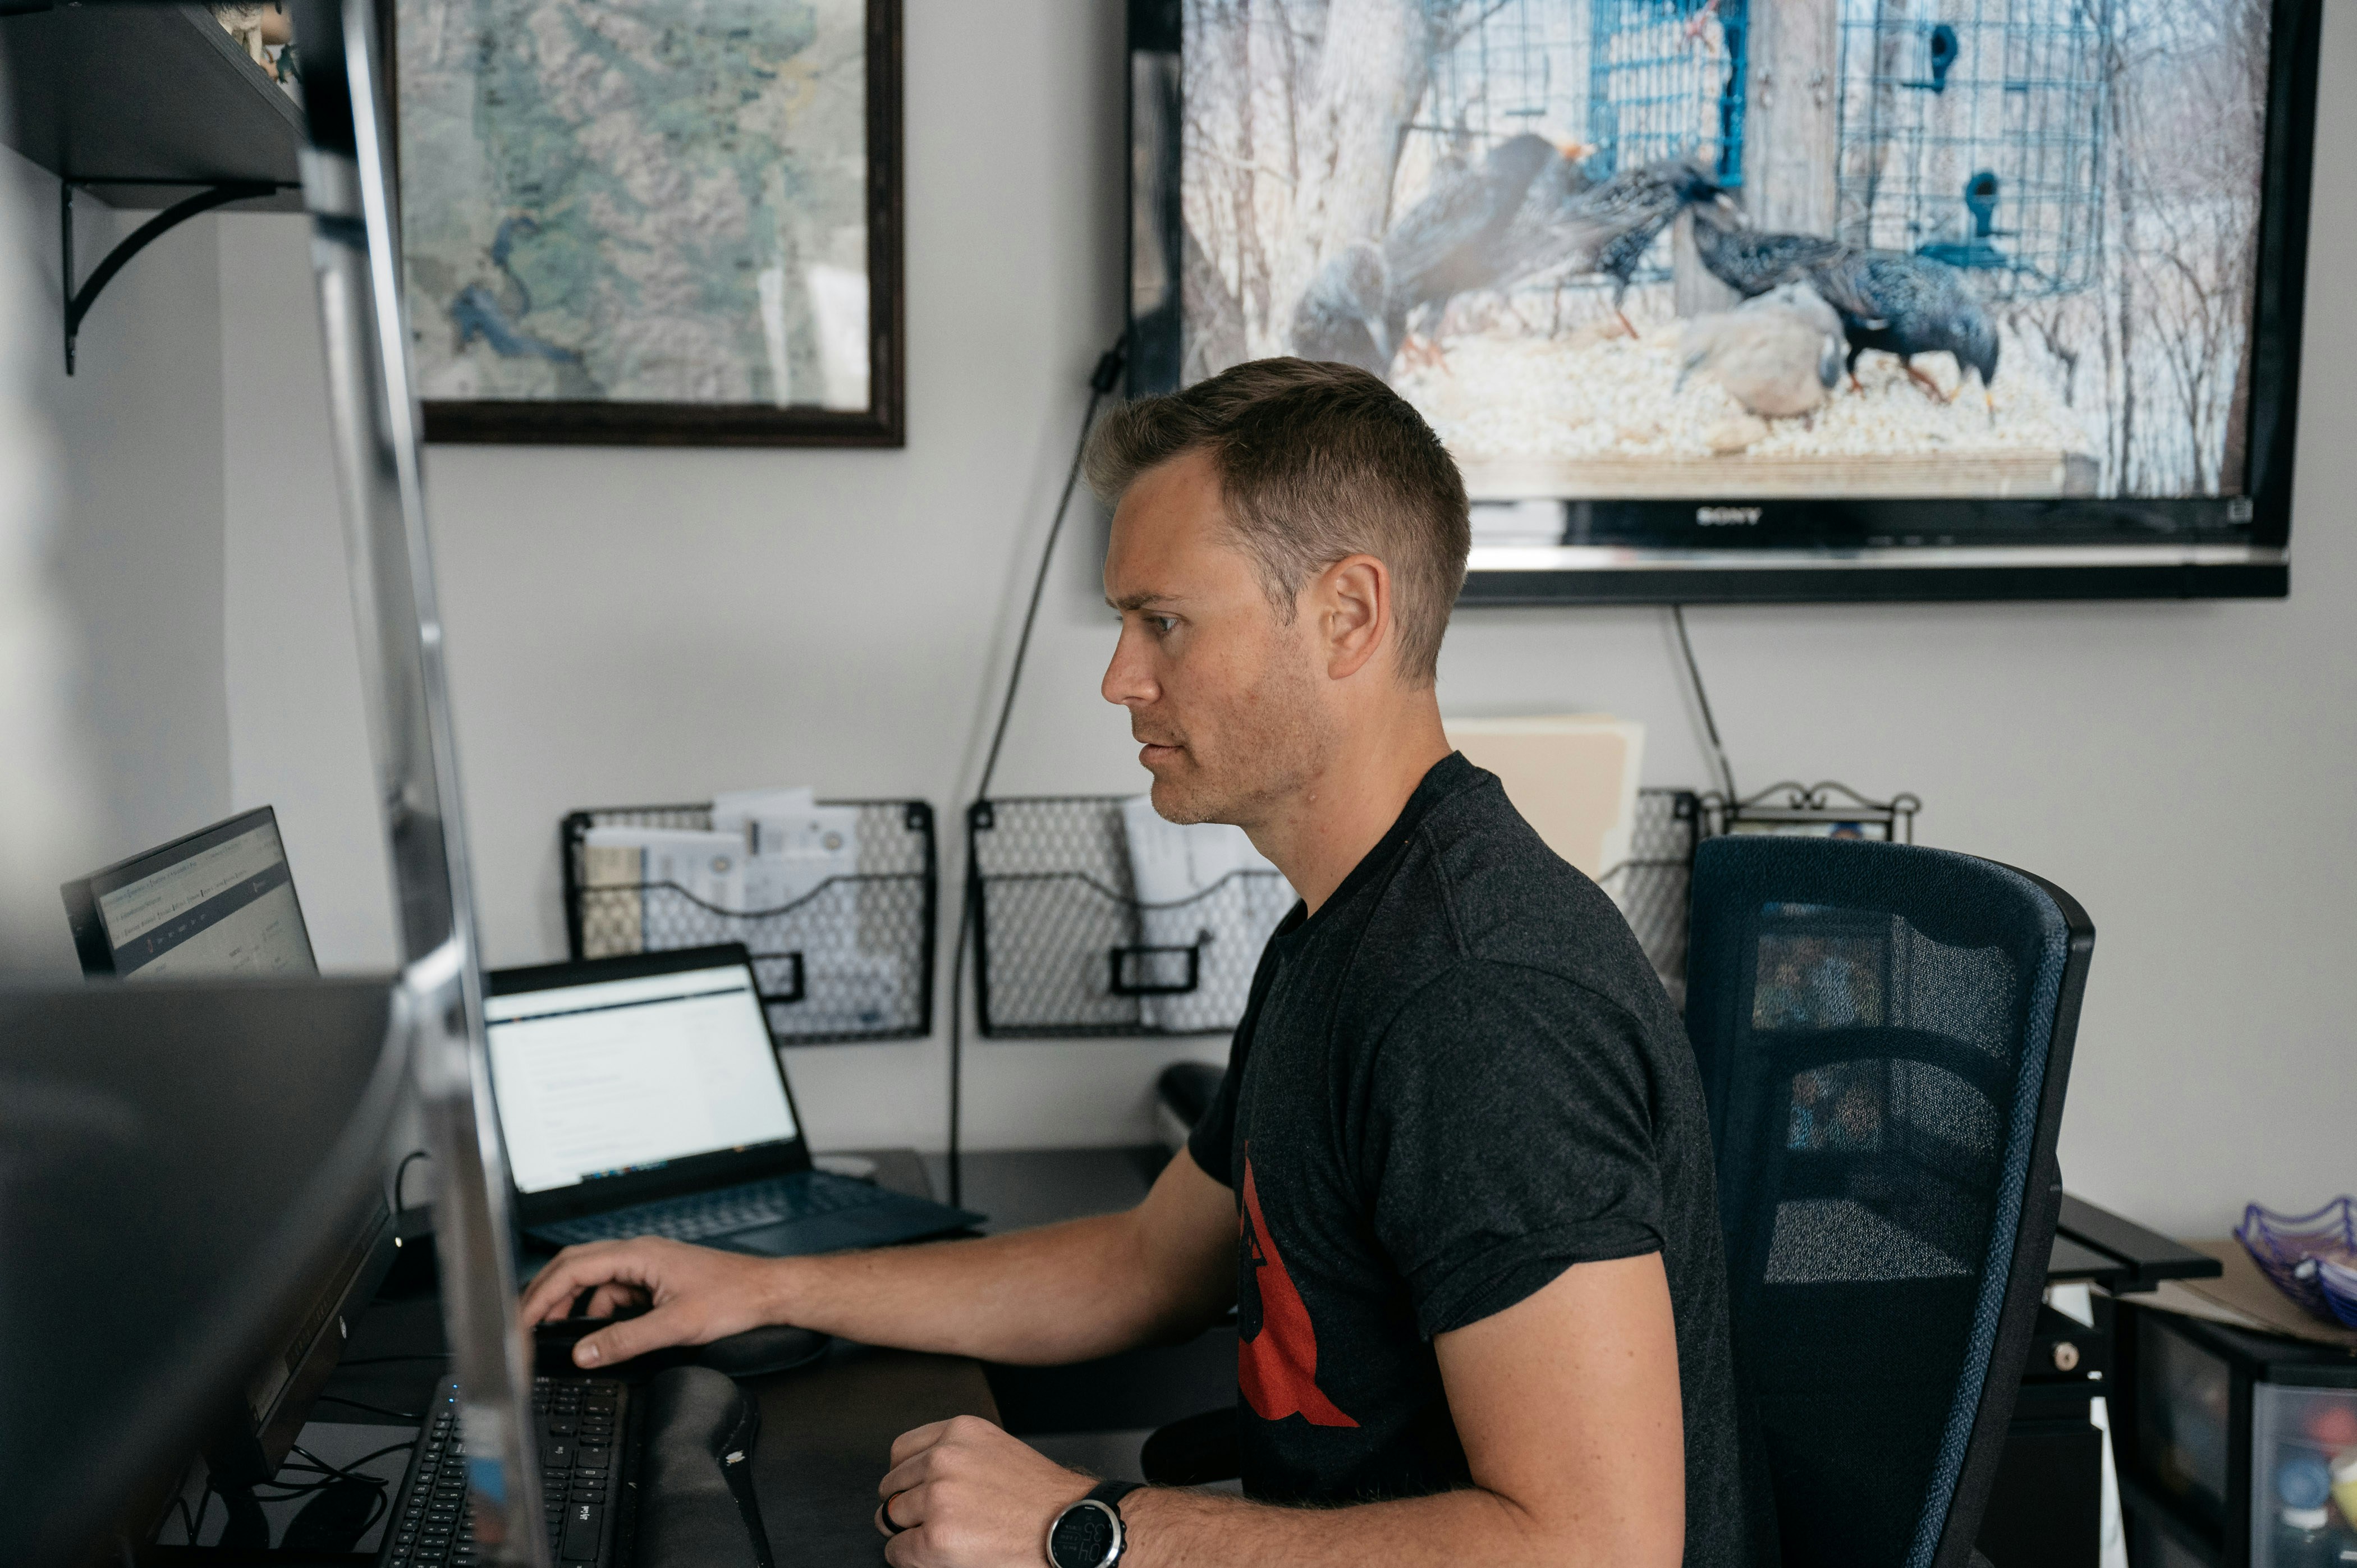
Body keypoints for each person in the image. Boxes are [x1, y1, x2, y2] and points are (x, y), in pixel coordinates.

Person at [519, 359, 1759, 1568]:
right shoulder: (1343, 928)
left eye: (1163, 621)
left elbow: (1600, 1542)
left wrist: (1085, 1528)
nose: (1121, 679)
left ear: (1349, 615)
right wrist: (759, 1285)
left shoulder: (1480, 1000)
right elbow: (1145, 1262)